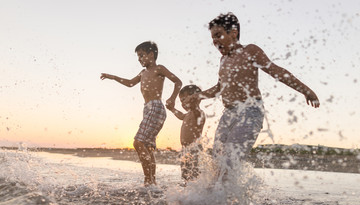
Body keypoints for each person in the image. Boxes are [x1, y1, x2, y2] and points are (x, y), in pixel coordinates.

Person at [185, 13, 320, 181]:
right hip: (228, 114)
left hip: (250, 112)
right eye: (213, 38)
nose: (215, 41)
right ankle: (215, 201)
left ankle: (227, 202)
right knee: (217, 162)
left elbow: (276, 71)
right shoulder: (223, 60)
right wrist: (200, 96)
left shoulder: (250, 51)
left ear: (233, 33)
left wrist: (306, 90)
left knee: (229, 162)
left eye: (219, 35)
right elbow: (220, 87)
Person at [101, 41, 182, 186]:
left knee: (138, 142)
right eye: (138, 57)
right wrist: (112, 77)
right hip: (147, 108)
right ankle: (151, 182)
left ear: (151, 54)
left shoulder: (159, 68)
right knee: (147, 147)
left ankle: (148, 179)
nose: (139, 59)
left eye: (141, 55)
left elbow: (178, 81)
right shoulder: (143, 73)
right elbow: (130, 83)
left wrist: (172, 98)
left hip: (156, 107)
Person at [167, 85, 206, 182]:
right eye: (181, 101)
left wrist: (193, 103)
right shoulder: (187, 114)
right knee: (185, 173)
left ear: (195, 99)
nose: (182, 103)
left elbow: (195, 110)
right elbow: (181, 116)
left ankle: (196, 189)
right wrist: (172, 109)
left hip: (194, 148)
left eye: (184, 99)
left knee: (194, 172)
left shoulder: (198, 113)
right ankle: (187, 190)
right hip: (185, 149)